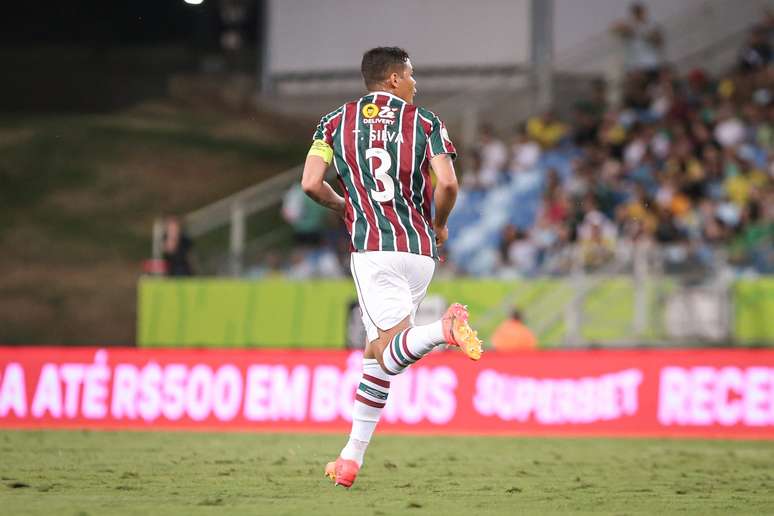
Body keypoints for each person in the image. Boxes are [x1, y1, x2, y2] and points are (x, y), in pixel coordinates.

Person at [300, 47, 483, 489]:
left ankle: (443, 332)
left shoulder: (332, 122)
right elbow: (449, 182)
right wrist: (438, 225)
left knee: (388, 352)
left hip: (374, 248)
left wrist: (347, 206)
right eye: (412, 75)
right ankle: (349, 459)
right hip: (419, 250)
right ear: (396, 78)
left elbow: (310, 183)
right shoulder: (426, 122)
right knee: (375, 353)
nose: (416, 83)